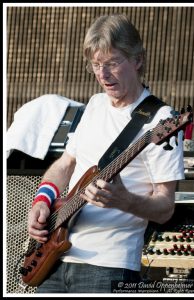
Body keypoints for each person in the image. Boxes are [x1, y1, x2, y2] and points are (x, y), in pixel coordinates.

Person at [27, 14, 184, 293]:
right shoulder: (95, 104)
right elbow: (66, 163)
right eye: (96, 65)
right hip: (54, 257)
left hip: (109, 264)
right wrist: (43, 200)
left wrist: (125, 200)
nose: (103, 74)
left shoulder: (161, 119)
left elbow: (165, 208)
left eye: (112, 63)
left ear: (137, 60)